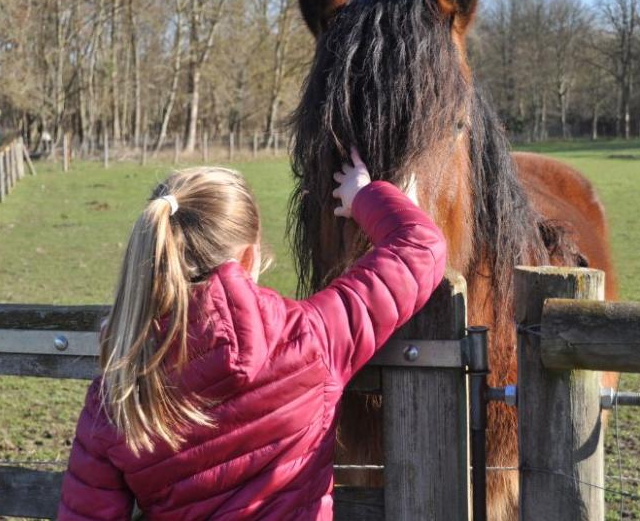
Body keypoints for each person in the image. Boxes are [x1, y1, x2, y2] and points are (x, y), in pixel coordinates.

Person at [57, 149, 446, 520]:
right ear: (247, 258)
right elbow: (420, 248)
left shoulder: (118, 396)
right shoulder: (314, 339)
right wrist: (363, 195)